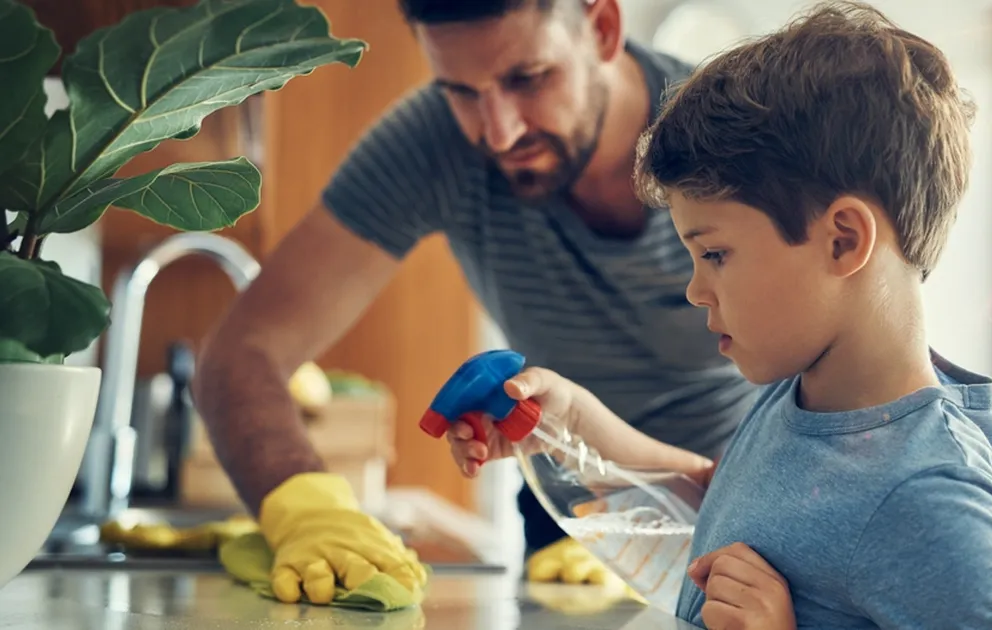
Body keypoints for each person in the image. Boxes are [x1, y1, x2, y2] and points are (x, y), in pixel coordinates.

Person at [446, 1, 992, 628]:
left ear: (843, 240)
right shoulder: (806, 394)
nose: (696, 291)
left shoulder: (928, 496)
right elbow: (730, 505)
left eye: (715, 254)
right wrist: (570, 427)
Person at [192, 0, 760, 605]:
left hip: (751, 502)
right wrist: (306, 509)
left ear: (602, 28)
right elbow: (243, 352)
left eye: (528, 79)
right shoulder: (430, 141)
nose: (499, 132)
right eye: (460, 91)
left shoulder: (731, 141)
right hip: (571, 514)